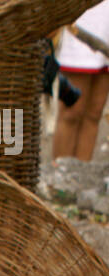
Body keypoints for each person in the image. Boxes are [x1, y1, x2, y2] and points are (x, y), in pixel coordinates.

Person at [52, 3, 109, 160]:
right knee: (72, 111)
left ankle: (81, 177)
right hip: (82, 17)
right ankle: (61, 178)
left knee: (94, 112)